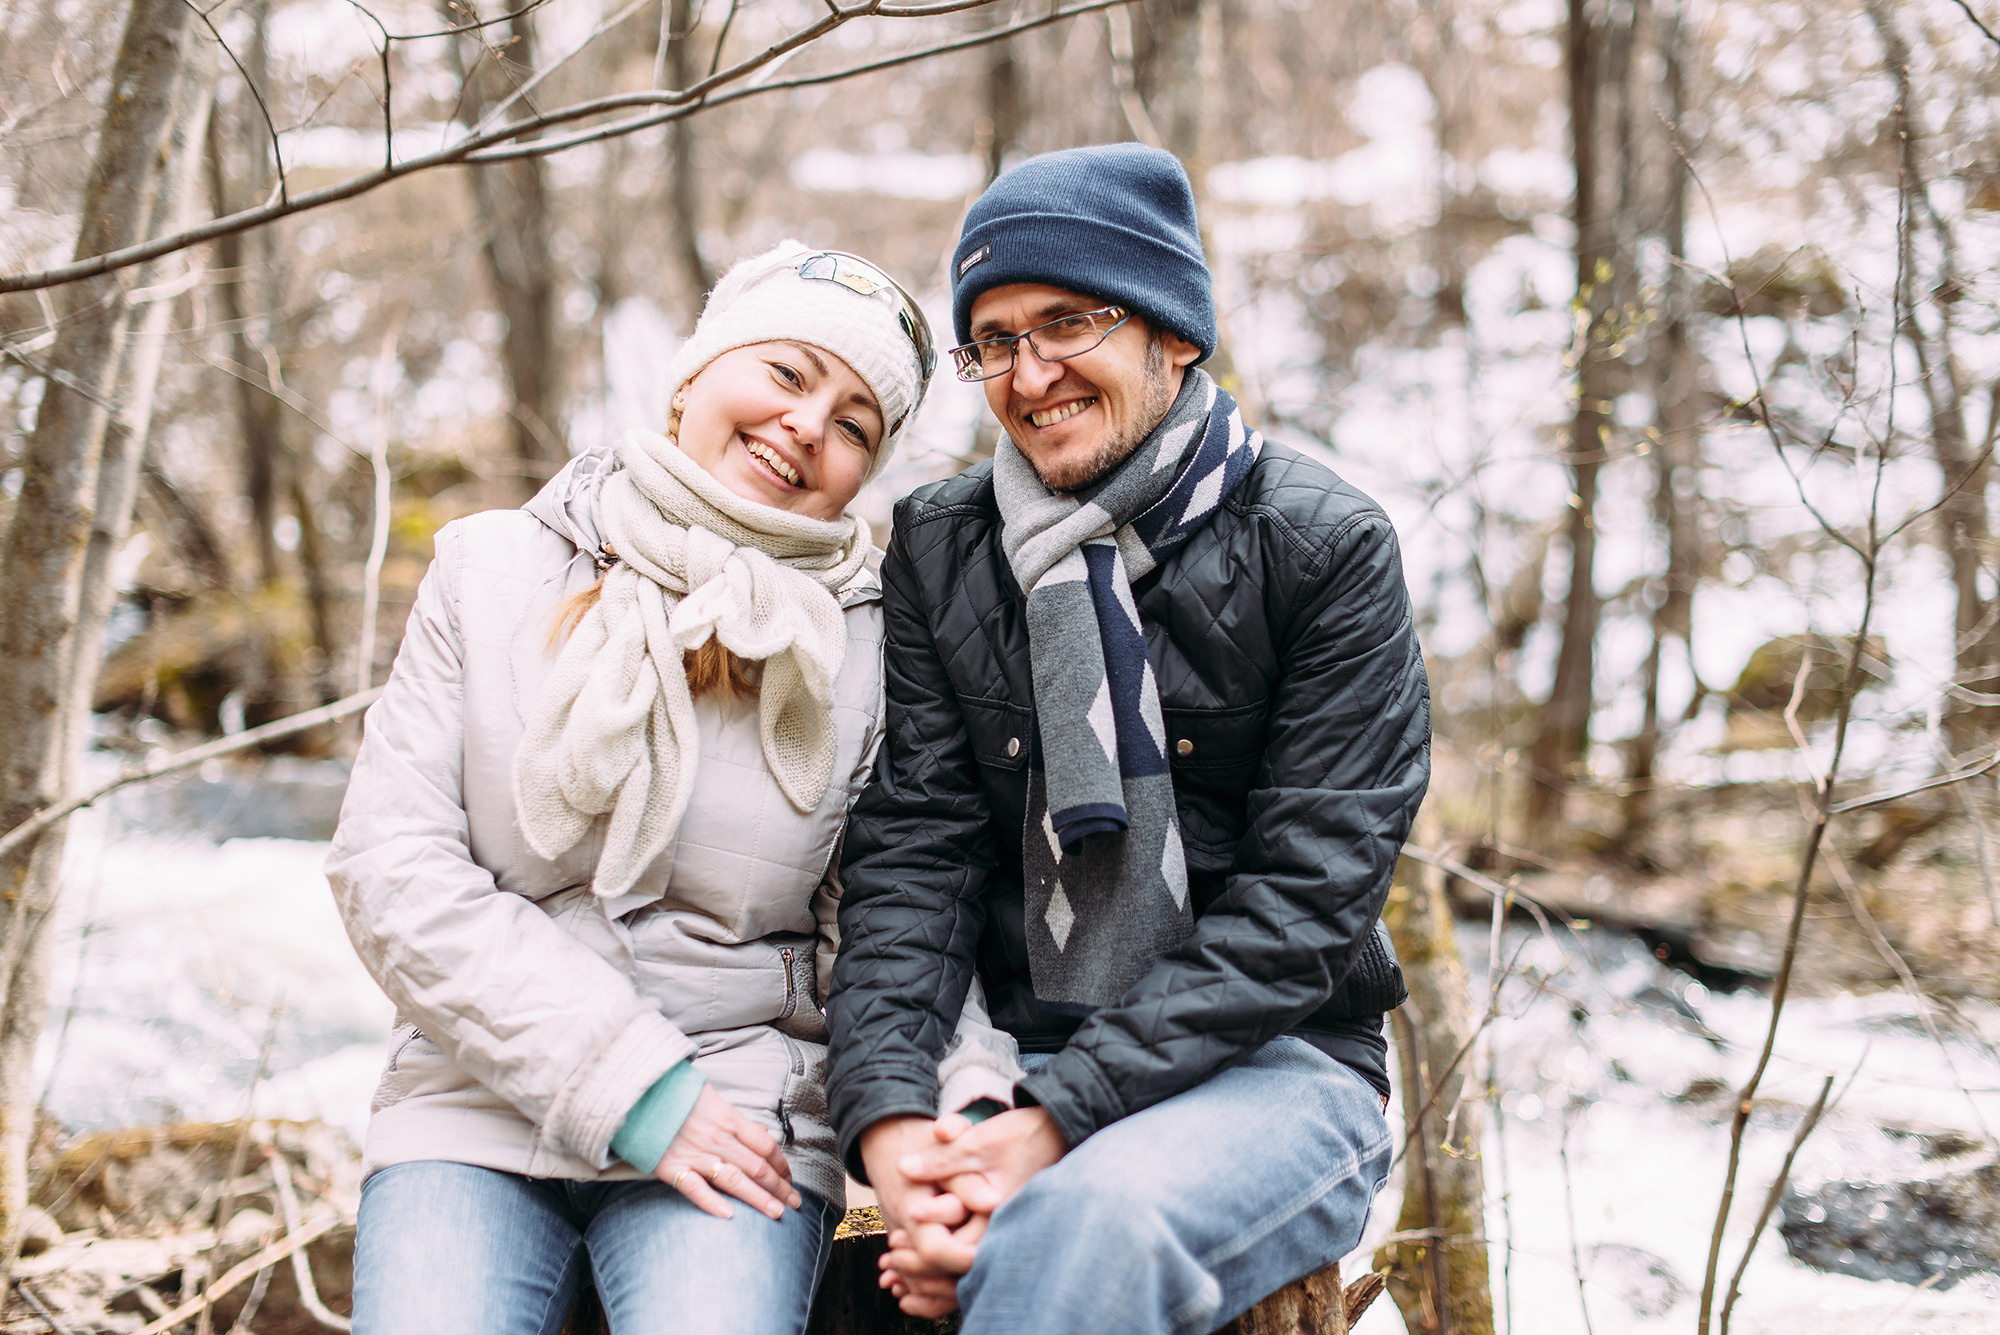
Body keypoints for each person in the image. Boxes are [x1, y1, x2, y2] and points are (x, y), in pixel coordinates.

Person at [823, 143, 1431, 1333]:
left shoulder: (1323, 550)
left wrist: (1049, 1136)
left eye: (1066, 323)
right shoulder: (940, 545)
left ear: (1173, 333)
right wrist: (895, 1123)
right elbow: (913, 858)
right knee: (848, 1245)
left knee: (1083, 1224)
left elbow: (1304, 912)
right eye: (992, 340)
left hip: (1281, 1066)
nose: (1027, 372)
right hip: (1008, 1050)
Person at [325, 240, 935, 1335]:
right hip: (474, 1100)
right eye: (788, 377)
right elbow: (390, 871)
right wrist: (634, 1089)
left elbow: (894, 928)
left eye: (854, 424)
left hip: (744, 1117)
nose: (807, 426)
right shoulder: (487, 567)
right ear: (693, 376)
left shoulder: (874, 649)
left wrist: (928, 1126)